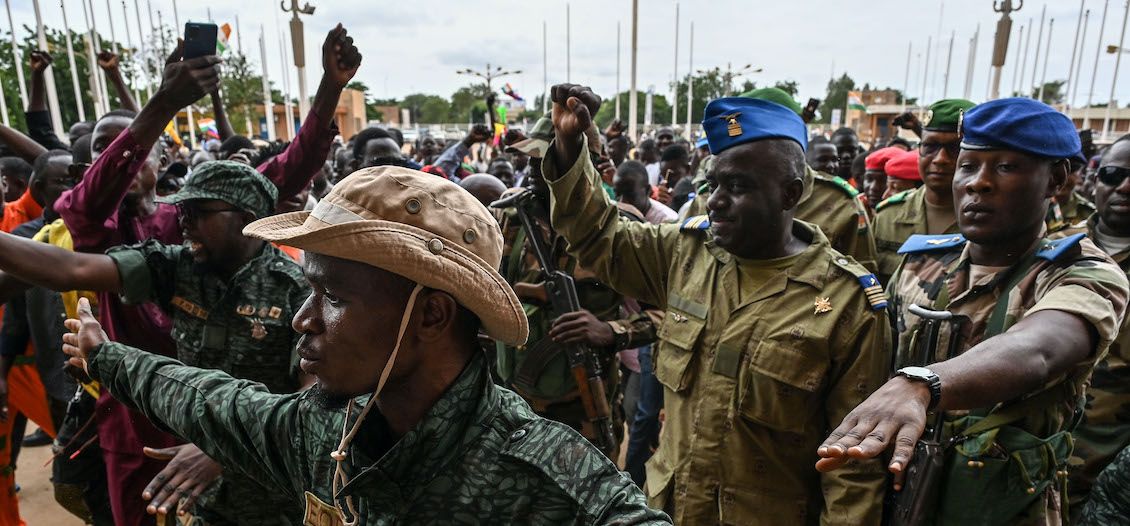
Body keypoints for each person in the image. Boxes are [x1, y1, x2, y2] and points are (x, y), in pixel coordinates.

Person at [60, 165, 671, 525]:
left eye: (334, 298)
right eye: (308, 292)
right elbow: (209, 399)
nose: (303, 321)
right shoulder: (326, 432)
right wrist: (104, 352)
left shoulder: (545, 477)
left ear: (431, 314)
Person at [53, 24, 360, 526]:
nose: (110, 161)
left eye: (125, 149)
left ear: (163, 158)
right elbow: (77, 236)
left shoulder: (197, 226)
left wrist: (329, 88)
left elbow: (287, 169)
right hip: (131, 410)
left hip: (221, 414)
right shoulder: (102, 226)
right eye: (100, 153)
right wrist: (163, 102)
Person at [542, 84, 891, 524]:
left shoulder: (849, 305)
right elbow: (598, 237)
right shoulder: (688, 252)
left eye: (738, 186)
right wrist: (570, 145)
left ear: (791, 193)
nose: (716, 200)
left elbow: (853, 469)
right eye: (714, 183)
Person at [816, 97, 1130, 525]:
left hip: (1005, 508)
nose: (977, 184)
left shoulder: (1083, 271)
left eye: (1004, 167)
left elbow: (1040, 348)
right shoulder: (920, 263)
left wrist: (922, 385)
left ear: (1055, 179)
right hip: (899, 497)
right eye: (969, 166)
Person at [0, 160, 312, 523]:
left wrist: (223, 450)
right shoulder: (177, 266)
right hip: (199, 494)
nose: (184, 221)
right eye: (182, 210)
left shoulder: (297, 292)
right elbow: (71, 270)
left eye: (198, 211)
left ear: (244, 217)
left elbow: (309, 406)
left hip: (271, 495)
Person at [494, 114, 657, 460]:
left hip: (583, 409)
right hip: (513, 405)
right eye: (534, 160)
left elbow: (671, 316)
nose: (537, 170)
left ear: (591, 166)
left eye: (551, 161)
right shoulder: (508, 219)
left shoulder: (623, 233)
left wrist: (611, 331)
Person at [1063, 136, 1130, 514]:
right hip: (1034, 461)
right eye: (1113, 174)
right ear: (1095, 180)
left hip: (1112, 472)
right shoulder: (1055, 246)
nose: (1125, 186)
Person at [870, 99, 972, 285]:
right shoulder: (888, 216)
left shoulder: (990, 223)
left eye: (954, 148)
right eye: (930, 147)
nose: (940, 159)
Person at [1047, 158, 1096, 233]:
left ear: (1079, 176)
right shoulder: (1034, 205)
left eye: (1070, 171)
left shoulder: (1087, 211)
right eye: (1056, 171)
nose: (1063, 178)